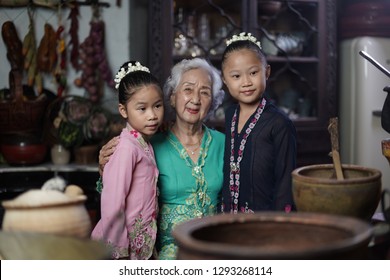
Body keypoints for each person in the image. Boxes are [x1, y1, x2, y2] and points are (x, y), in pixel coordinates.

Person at [97, 57, 225, 260]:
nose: (196, 99)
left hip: (215, 248)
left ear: (214, 101)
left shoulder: (225, 144)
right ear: (172, 97)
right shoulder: (149, 144)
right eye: (188, 89)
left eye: (205, 92)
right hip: (166, 254)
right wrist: (104, 166)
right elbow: (115, 196)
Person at [91, 61, 164, 260]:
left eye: (157, 106)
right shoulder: (125, 148)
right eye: (142, 109)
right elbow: (113, 204)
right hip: (121, 249)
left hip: (139, 244)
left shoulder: (142, 144)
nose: (152, 116)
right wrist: (119, 253)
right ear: (124, 111)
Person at [219, 32, 297, 214]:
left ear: (267, 72)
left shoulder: (279, 123)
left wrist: (278, 223)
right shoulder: (230, 115)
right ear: (225, 80)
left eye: (253, 73)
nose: (246, 82)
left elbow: (286, 181)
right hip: (229, 219)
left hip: (264, 222)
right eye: (236, 76)